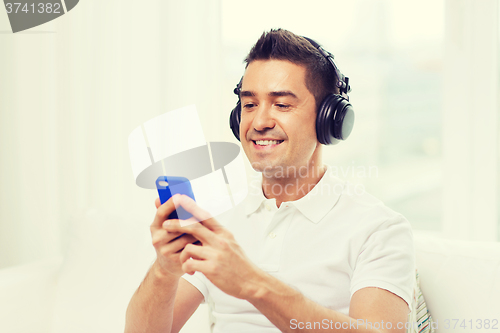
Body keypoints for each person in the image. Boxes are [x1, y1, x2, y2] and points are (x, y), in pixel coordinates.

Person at [125, 29, 415, 333]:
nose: (259, 122)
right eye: (249, 105)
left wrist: (253, 283)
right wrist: (164, 271)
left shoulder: (379, 229)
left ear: (329, 119)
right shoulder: (218, 217)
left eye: (282, 105)